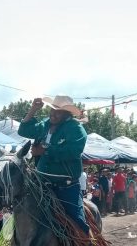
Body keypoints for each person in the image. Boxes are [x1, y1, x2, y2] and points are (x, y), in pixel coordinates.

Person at [17, 95, 89, 234]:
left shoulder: (76, 129)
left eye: (58, 111)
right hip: (41, 184)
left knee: (78, 222)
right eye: (52, 110)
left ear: (67, 114)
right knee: (23, 213)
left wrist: (45, 151)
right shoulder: (45, 124)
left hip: (66, 186)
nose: (53, 114)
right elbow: (23, 130)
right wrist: (33, 110)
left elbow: (73, 152)